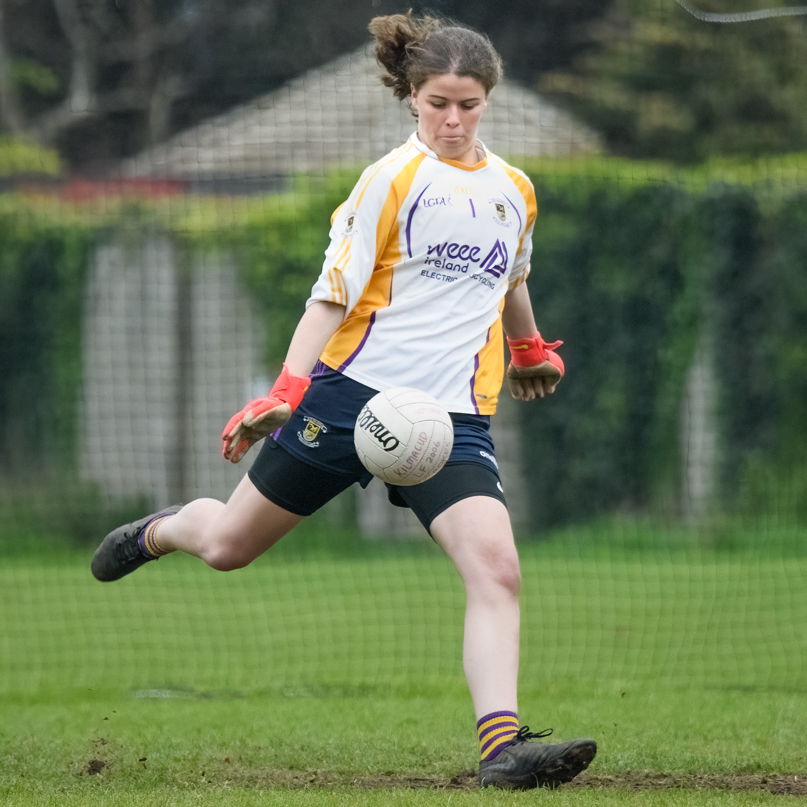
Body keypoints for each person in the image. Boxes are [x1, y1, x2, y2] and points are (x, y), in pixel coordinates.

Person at [91, 12, 596, 790]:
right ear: (412, 98)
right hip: (350, 400)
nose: (452, 119)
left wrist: (528, 351)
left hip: (452, 422)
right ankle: (167, 528)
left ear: (487, 99)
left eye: (466, 103)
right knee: (229, 547)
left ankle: (502, 748)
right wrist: (283, 394)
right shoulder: (390, 181)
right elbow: (329, 300)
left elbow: (511, 280)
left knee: (496, 567)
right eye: (437, 103)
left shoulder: (513, 191)